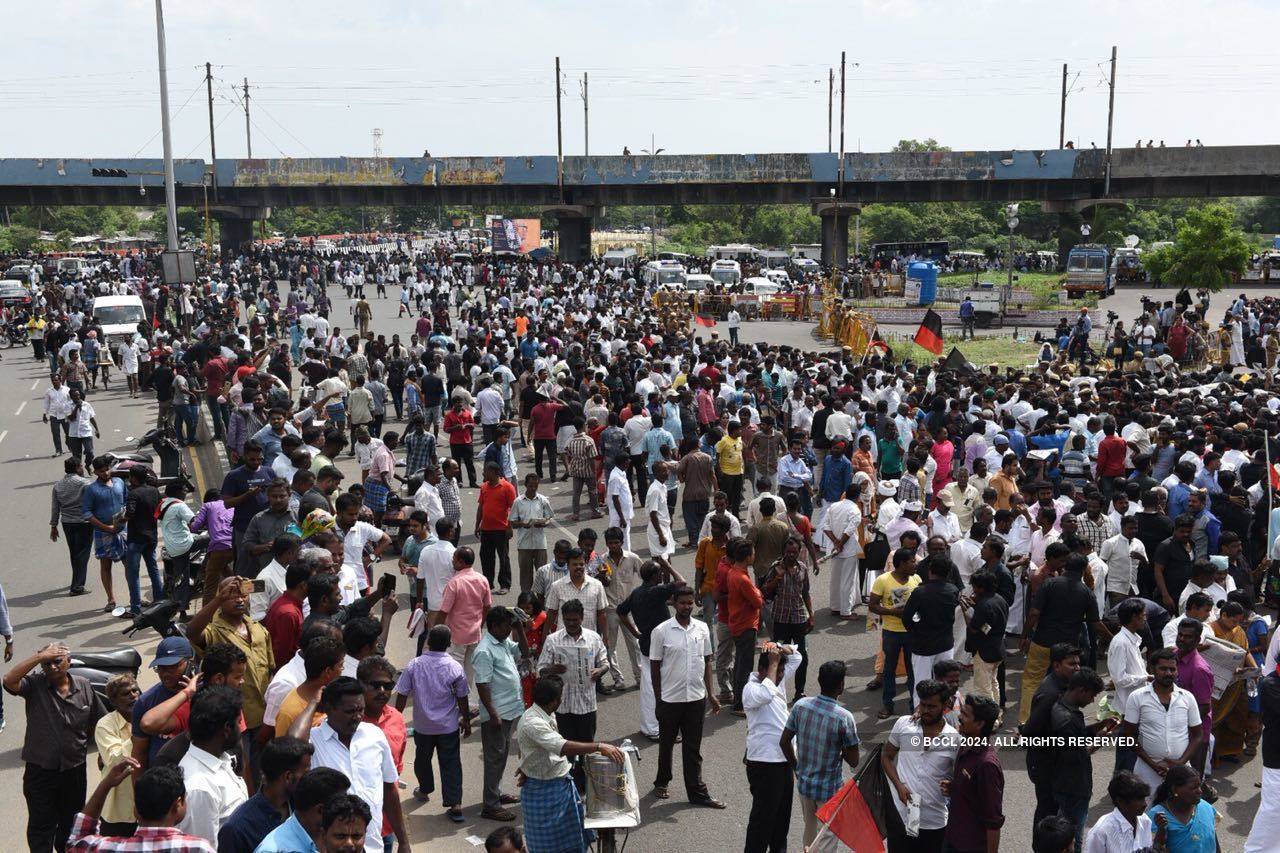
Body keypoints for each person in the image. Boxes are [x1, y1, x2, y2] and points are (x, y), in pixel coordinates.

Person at [4, 641, 104, 852]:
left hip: (74, 771)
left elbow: (101, 722)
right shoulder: (34, 685)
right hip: (40, 772)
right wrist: (39, 657)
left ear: (68, 661)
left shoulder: (83, 685)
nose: (51, 667)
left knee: (70, 824)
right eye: (46, 664)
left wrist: (105, 754)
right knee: (42, 827)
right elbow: (9, 680)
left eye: (56, 661)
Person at [291, 677, 409, 853]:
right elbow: (292, 742)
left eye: (361, 710)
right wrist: (314, 703)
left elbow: (389, 790)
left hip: (373, 846)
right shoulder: (314, 740)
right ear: (329, 708)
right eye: (350, 711)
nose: (358, 716)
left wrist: (404, 842)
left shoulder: (374, 735)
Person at [515, 676, 625, 853]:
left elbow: (534, 748)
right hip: (543, 794)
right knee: (546, 847)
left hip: (560, 787)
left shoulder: (544, 713)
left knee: (572, 844)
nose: (561, 701)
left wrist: (528, 765)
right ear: (553, 702)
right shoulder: (533, 722)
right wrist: (599, 746)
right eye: (560, 698)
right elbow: (563, 746)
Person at [649, 584, 725, 807]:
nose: (686, 607)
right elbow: (655, 666)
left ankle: (697, 792)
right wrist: (658, 699)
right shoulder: (661, 631)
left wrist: (711, 694)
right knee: (666, 744)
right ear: (673, 603)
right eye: (682, 603)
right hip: (670, 700)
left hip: (695, 699)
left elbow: (707, 661)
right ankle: (662, 782)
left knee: (693, 749)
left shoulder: (702, 629)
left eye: (690, 603)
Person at [186, 575, 275, 748]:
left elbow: (270, 669)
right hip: (234, 720)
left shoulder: (258, 629)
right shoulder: (214, 631)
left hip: (263, 716)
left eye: (243, 595)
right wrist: (218, 599)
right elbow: (192, 633)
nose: (240, 599)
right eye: (233, 595)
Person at [394, 624, 469, 823]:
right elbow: (462, 697)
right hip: (448, 726)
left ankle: (425, 788)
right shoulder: (455, 667)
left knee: (422, 759)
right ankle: (455, 804)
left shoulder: (414, 664)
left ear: (428, 642)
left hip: (423, 726)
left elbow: (401, 694)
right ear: (449, 644)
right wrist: (466, 720)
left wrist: (395, 718)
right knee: (451, 762)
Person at [781, 659, 860, 848]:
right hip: (829, 791)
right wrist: (842, 750)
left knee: (810, 832)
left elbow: (784, 741)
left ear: (818, 680)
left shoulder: (801, 706)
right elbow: (854, 761)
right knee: (827, 839)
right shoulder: (844, 718)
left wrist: (796, 768)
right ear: (841, 686)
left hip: (805, 784)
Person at [66, 760, 216, 852]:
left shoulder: (111, 848)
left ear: (135, 810)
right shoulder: (198, 848)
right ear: (178, 804)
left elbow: (76, 843)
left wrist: (106, 784)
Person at [881, 678, 959, 851]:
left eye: (931, 707)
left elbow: (961, 776)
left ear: (944, 705)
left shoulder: (954, 739)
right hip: (902, 816)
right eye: (922, 705)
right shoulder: (904, 724)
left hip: (934, 821)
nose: (925, 710)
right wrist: (898, 785)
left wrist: (954, 787)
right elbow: (886, 756)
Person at [617, 559, 686, 741]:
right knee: (659, 688)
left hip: (647, 642)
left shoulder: (637, 593)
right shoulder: (656, 591)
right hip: (661, 647)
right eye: (660, 572)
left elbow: (621, 611)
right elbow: (682, 583)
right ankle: (655, 728)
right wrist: (668, 565)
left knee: (649, 686)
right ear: (655, 576)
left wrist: (635, 632)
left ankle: (650, 726)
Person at [742, 641, 802, 853]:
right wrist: (773, 665)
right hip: (765, 765)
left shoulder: (776, 681)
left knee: (781, 821)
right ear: (762, 671)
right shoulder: (751, 689)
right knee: (762, 822)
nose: (781, 677)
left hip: (784, 760)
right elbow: (765, 695)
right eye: (777, 671)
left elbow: (797, 657)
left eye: (781, 672)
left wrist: (778, 647)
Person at [1049, 668, 1115, 850]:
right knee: (1073, 837)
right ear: (1081, 690)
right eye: (1092, 695)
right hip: (1073, 787)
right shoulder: (1066, 719)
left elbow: (1077, 736)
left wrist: (1097, 727)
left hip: (1066, 783)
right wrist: (1099, 741)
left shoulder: (1064, 708)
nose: (1093, 700)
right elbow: (1075, 754)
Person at [474, 606, 529, 822]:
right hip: (497, 715)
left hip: (509, 711)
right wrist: (493, 714)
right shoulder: (484, 650)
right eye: (506, 626)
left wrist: (519, 628)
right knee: (495, 758)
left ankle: (494, 794)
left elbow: (524, 653)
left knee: (501, 756)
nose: (508, 629)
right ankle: (491, 805)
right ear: (494, 626)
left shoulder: (503, 642)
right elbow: (482, 684)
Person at [176, 686, 249, 846]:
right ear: (227, 729)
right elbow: (202, 847)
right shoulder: (199, 788)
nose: (241, 727)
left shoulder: (221, 758)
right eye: (238, 722)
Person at [216, 736, 314, 853]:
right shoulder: (237, 830)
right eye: (306, 772)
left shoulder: (308, 809)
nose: (310, 778)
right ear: (288, 777)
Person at [1019, 643, 1081, 827]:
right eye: (1071, 664)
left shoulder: (1063, 685)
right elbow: (1029, 733)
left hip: (1054, 763)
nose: (1077, 668)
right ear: (1056, 665)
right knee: (1047, 811)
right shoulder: (1050, 694)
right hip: (1045, 766)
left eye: (1078, 663)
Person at [942, 695, 1004, 853]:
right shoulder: (966, 744)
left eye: (965, 715)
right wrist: (955, 788)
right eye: (961, 712)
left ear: (980, 724)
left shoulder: (987, 765)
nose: (959, 717)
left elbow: (993, 820)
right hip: (952, 838)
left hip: (971, 846)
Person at [870, 547, 921, 719]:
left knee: (912, 669)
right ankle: (888, 704)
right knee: (889, 669)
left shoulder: (917, 579)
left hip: (912, 632)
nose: (915, 564)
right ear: (900, 564)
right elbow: (873, 605)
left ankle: (914, 705)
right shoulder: (882, 580)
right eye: (912, 562)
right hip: (891, 632)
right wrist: (893, 612)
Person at [254, 766, 352, 853]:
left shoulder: (330, 839)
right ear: (321, 810)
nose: (346, 812)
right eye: (341, 807)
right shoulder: (273, 850)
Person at [94, 674, 141, 837]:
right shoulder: (105, 725)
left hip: (148, 807)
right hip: (118, 812)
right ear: (113, 701)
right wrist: (138, 734)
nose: (133, 695)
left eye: (135, 691)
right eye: (126, 694)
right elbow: (115, 760)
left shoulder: (148, 715)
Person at [1147, 765, 1217, 853]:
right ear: (1174, 789)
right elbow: (1154, 849)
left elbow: (1214, 840)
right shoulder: (1156, 815)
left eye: (1199, 786)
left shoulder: (1205, 807)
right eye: (1193, 788)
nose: (1200, 791)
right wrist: (1162, 829)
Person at [50, 456, 93, 596]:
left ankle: (76, 580)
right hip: (83, 523)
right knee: (83, 554)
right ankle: (77, 587)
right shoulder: (85, 483)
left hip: (67, 523)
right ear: (77, 468)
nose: (82, 468)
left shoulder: (57, 486)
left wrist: (53, 526)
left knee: (74, 553)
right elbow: (92, 503)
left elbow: (55, 508)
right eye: (81, 466)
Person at [1082, 771, 1155, 853]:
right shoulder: (1102, 831)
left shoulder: (1145, 821)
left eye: (1144, 798)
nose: (1145, 804)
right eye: (1139, 799)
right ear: (1120, 801)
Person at [476, 461, 517, 594]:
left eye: (486, 471)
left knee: (503, 557)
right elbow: (481, 507)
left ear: (493, 472)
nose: (483, 473)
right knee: (486, 557)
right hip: (486, 529)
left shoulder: (507, 487)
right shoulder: (484, 487)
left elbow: (513, 509)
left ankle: (505, 584)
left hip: (501, 529)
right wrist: (477, 525)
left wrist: (509, 527)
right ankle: (488, 584)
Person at [510, 473, 553, 593]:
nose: (533, 488)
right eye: (531, 486)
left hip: (540, 544)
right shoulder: (518, 502)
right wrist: (523, 524)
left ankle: (541, 601)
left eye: (535, 486)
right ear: (525, 485)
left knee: (542, 574)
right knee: (525, 576)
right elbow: (512, 522)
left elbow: (549, 517)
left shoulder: (543, 500)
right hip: (524, 544)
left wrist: (545, 523)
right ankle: (526, 600)